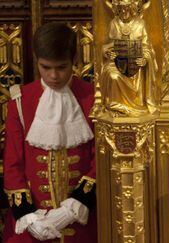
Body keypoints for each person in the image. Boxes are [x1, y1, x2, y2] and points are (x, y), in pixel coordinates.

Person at [3, 22, 97, 242]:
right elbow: (12, 162)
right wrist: (28, 217)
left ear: (74, 61)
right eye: (46, 67)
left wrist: (72, 209)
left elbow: (101, 157)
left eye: (62, 67)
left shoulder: (94, 98)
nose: (54, 75)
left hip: (83, 219)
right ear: (36, 61)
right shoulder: (19, 101)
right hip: (33, 223)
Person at [100, 0, 159, 116]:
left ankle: (137, 105)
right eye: (121, 9)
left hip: (135, 63)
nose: (124, 12)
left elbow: (147, 47)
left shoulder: (140, 24)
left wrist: (145, 59)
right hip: (116, 62)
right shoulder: (114, 23)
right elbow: (106, 47)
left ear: (132, 8)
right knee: (113, 76)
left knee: (136, 71)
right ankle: (115, 106)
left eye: (127, 8)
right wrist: (108, 53)